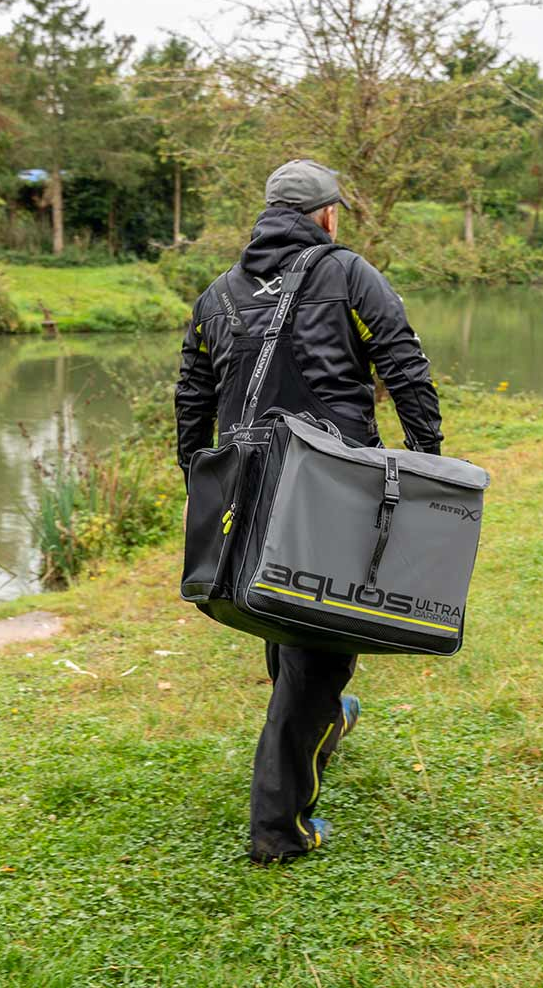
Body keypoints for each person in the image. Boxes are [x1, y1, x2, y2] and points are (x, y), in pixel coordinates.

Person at [175, 158, 443, 863]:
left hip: (247, 492)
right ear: (326, 215)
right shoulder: (348, 273)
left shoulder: (216, 296)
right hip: (331, 488)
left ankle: (331, 721)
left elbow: (192, 398)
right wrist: (427, 457)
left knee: (283, 612)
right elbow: (403, 363)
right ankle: (279, 829)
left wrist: (198, 480)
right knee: (321, 645)